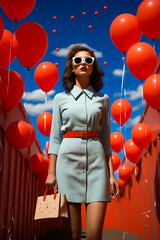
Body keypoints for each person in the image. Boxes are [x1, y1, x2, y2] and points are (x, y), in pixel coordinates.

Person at [45, 45, 119, 240]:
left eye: (88, 60)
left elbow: (105, 138)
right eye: (78, 60)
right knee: (74, 235)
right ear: (72, 66)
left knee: (95, 235)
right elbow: (55, 138)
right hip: (66, 166)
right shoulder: (60, 99)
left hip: (97, 166)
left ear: (94, 66)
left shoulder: (103, 99)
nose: (83, 63)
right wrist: (51, 172)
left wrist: (112, 175)